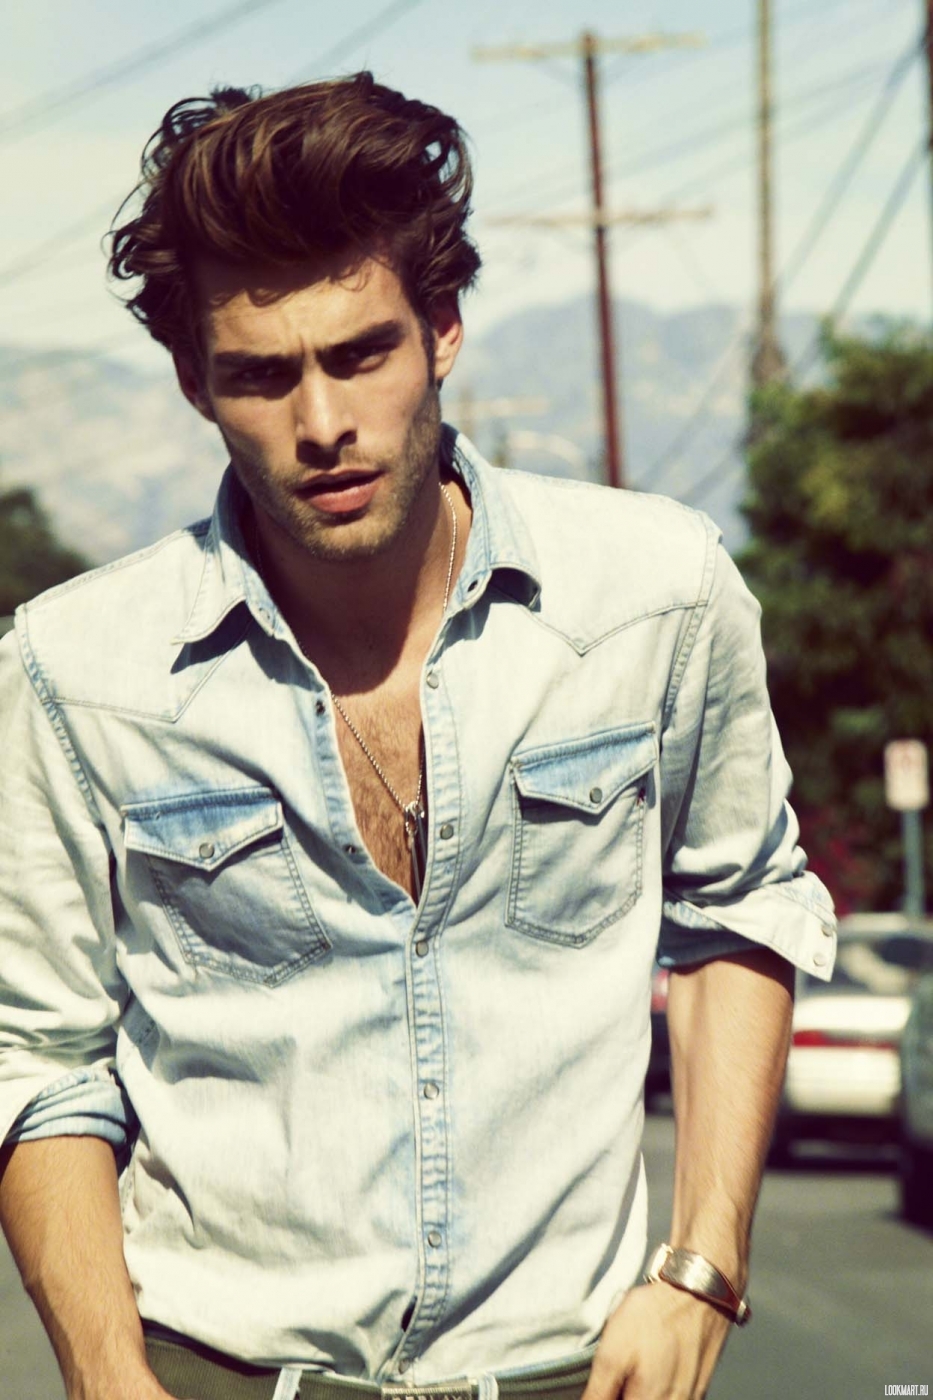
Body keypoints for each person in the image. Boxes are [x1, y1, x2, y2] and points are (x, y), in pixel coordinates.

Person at [0, 74, 836, 1400]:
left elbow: (738, 908)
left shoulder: (654, 597)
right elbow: (38, 1051)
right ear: (193, 382)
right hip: (214, 1369)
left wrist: (701, 1267)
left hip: (573, 1374)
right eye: (261, 376)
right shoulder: (75, 671)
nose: (322, 425)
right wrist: (105, 1374)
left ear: (441, 329)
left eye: (359, 354)